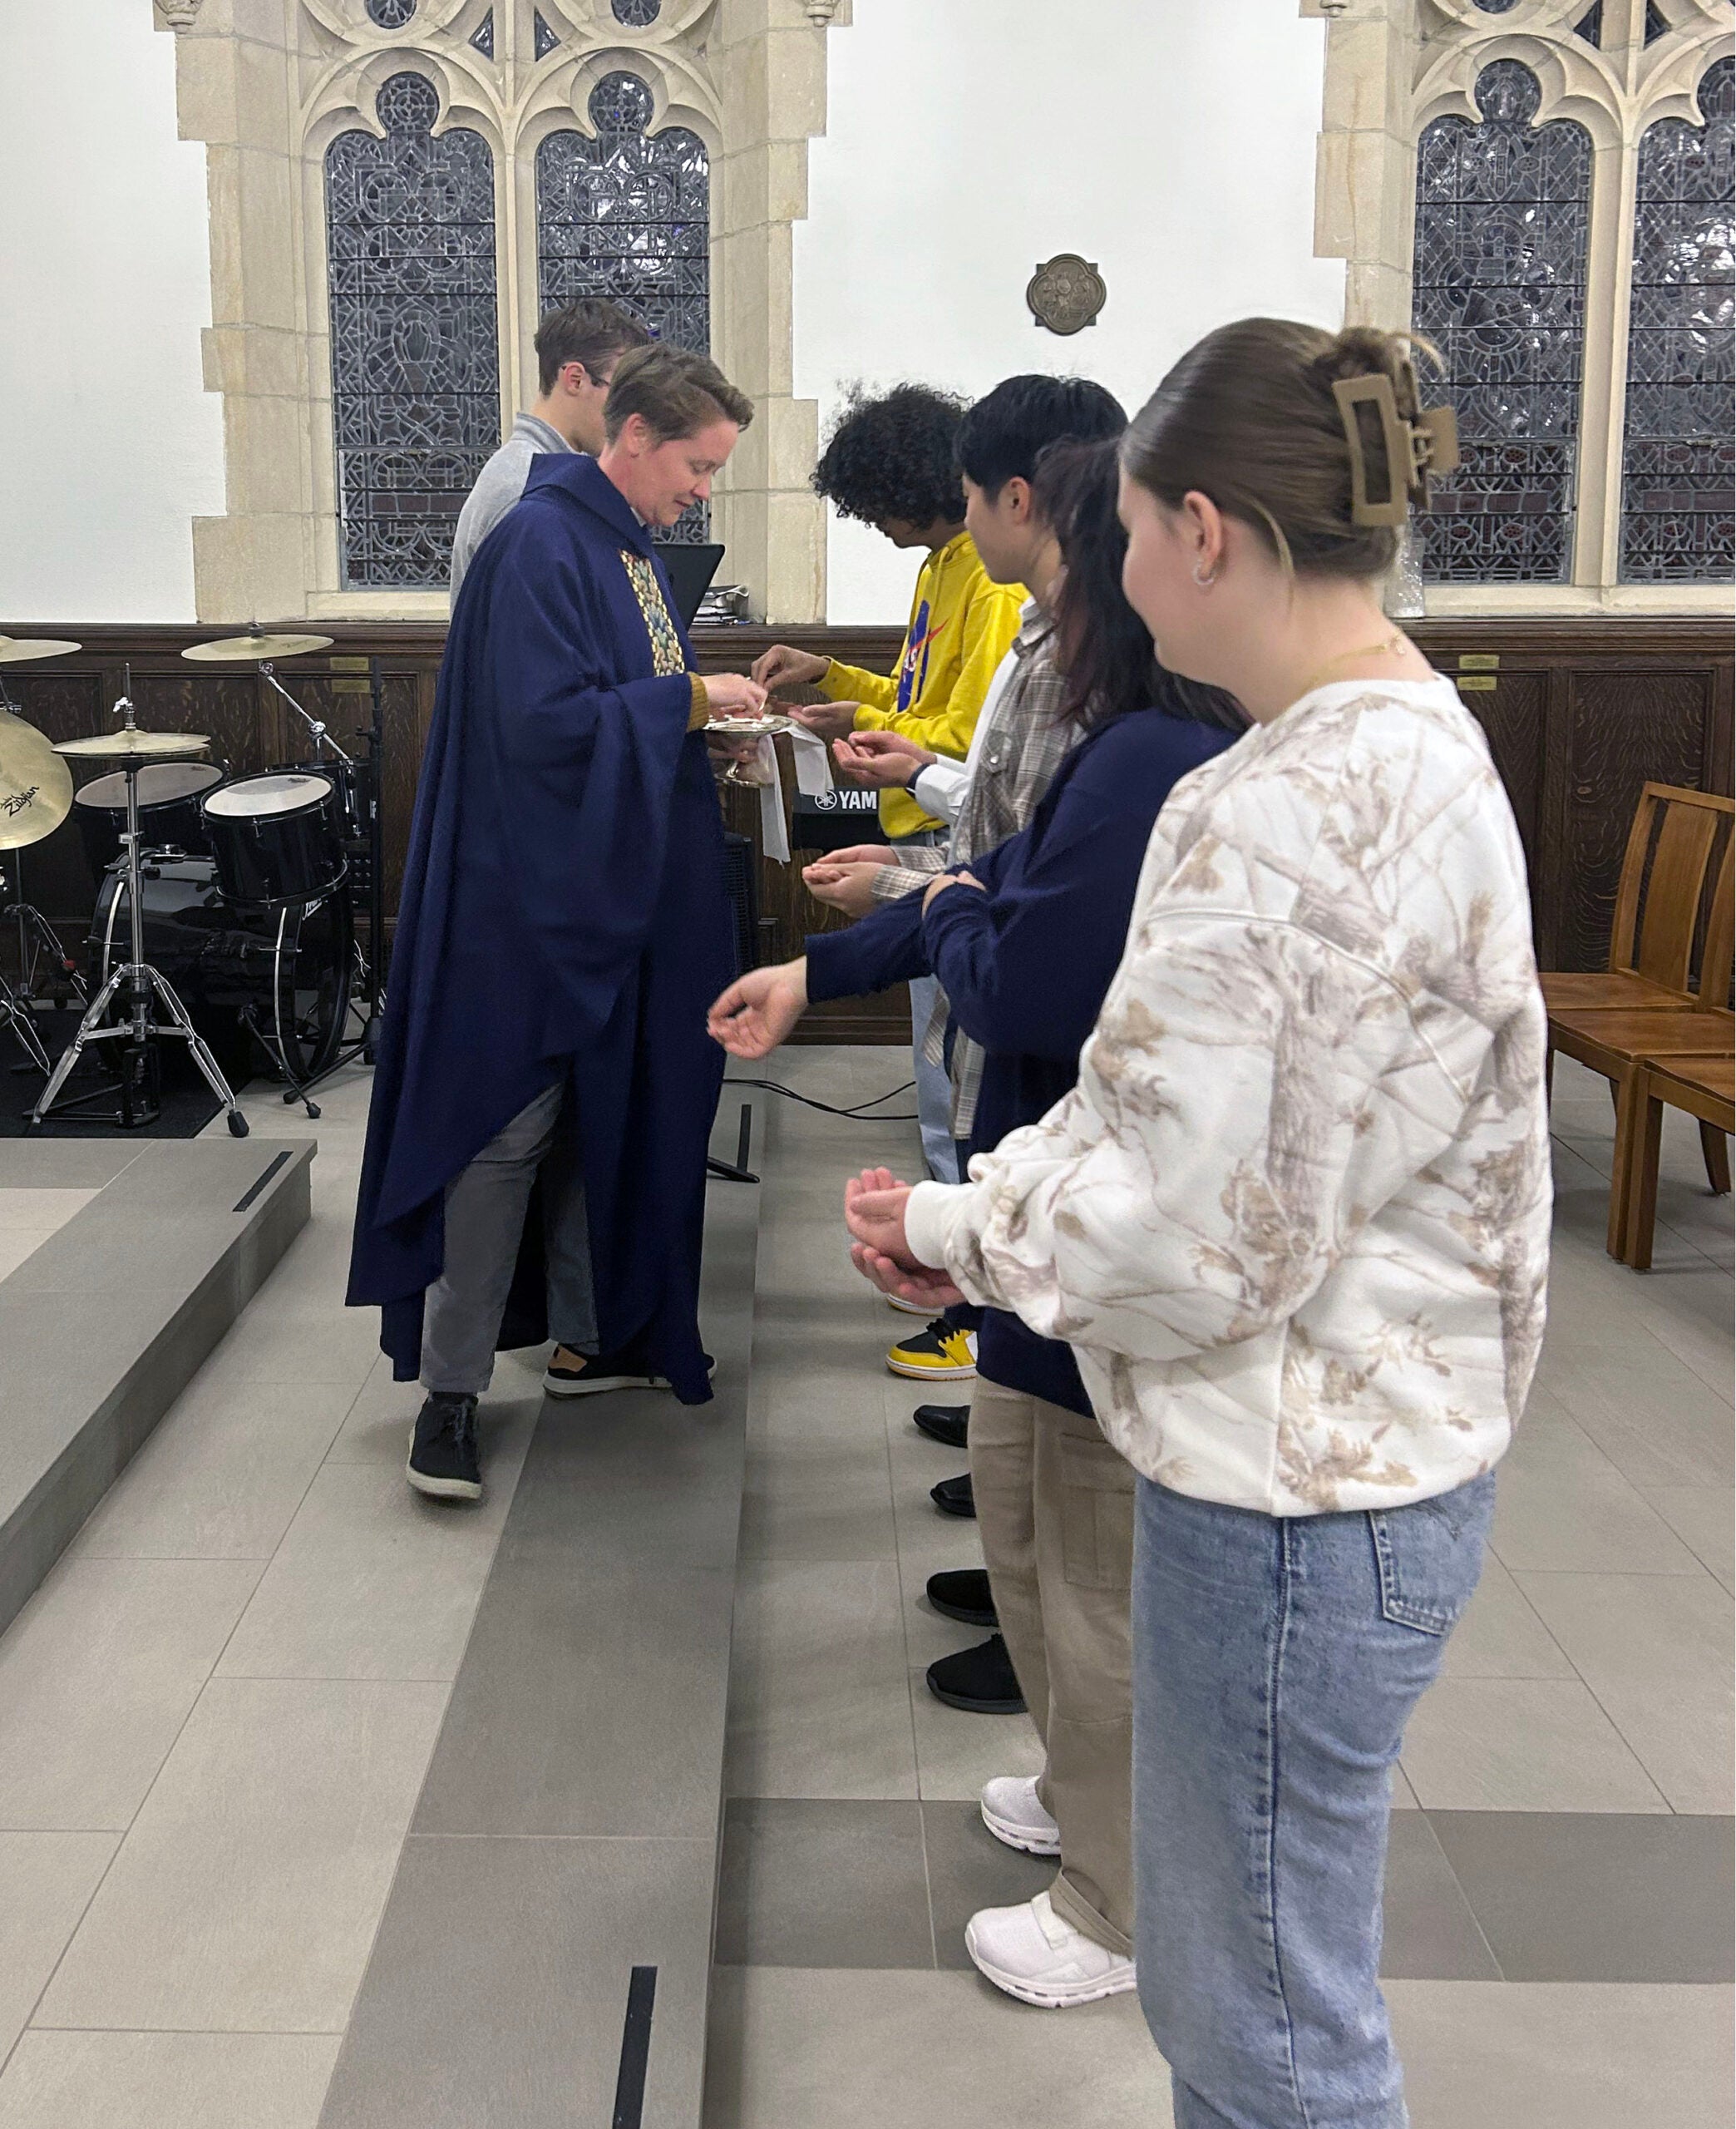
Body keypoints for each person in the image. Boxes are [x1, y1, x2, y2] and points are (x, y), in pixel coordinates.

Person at [841, 319, 1551, 2124]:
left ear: (1208, 530)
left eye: (1134, 527)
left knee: (1264, 2033)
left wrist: (951, 1216)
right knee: (1263, 1981)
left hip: (1302, 1491)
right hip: (1375, 1448)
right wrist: (996, 1194)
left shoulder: (1288, 803)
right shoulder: (1396, 736)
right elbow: (1187, 1119)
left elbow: (1191, 1231)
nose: (1117, 568)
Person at [710, 437, 1242, 2006]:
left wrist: (935, 911)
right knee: (1022, 1517)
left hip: (1096, 1224)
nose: (1052, 610)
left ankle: (1116, 1900)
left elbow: (1022, 970)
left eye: (1083, 572)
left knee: (1082, 1571)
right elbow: (1002, 881)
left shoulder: (1154, 753)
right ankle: (1082, 1795)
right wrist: (843, 957)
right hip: (1039, 1212)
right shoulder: (1127, 741)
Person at [348, 343, 767, 1504]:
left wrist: (701, 735)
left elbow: (618, 706)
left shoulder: (626, 545)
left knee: (613, 1118)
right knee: (506, 1136)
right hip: (531, 903)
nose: (703, 490)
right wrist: (687, 700)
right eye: (697, 464)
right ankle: (451, 1397)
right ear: (631, 436)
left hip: (623, 888)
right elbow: (542, 728)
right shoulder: (541, 542)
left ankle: (597, 1338)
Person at [802, 377, 1126, 1408]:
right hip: (958, 866)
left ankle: (983, 1319)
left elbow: (1005, 799)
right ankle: (985, 1321)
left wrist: (920, 876)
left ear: (1013, 497)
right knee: (955, 1084)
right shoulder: (963, 573)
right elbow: (945, 716)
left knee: (975, 1106)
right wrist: (847, 700)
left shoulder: (1011, 597)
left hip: (972, 877)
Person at [752, 384, 1028, 1215]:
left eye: (873, 503)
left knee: (956, 1063)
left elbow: (966, 738)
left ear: (908, 486)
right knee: (936, 1053)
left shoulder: (991, 582)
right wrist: (834, 678)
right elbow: (920, 699)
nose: (870, 521)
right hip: (922, 819)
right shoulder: (941, 568)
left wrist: (867, 717)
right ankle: (953, 1224)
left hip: (959, 829)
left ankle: (963, 1254)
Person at [449, 298, 652, 596]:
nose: (628, 415)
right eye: (622, 395)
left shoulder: (554, 478)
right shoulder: (525, 488)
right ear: (575, 379)